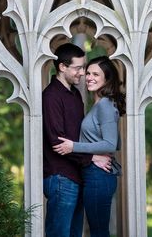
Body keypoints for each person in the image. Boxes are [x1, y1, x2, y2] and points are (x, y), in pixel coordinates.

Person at [43, 44, 112, 237]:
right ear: (62, 67)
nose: (82, 73)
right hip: (60, 178)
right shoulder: (51, 96)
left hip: (76, 176)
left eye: (83, 68)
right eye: (78, 68)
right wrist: (92, 158)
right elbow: (57, 141)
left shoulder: (75, 95)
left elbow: (78, 137)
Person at [53, 56, 126, 237]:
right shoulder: (99, 104)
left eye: (96, 74)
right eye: (88, 73)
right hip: (93, 173)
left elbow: (111, 143)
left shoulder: (105, 105)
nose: (89, 78)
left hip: (98, 176)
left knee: (99, 232)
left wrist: (73, 146)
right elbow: (114, 141)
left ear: (107, 79)